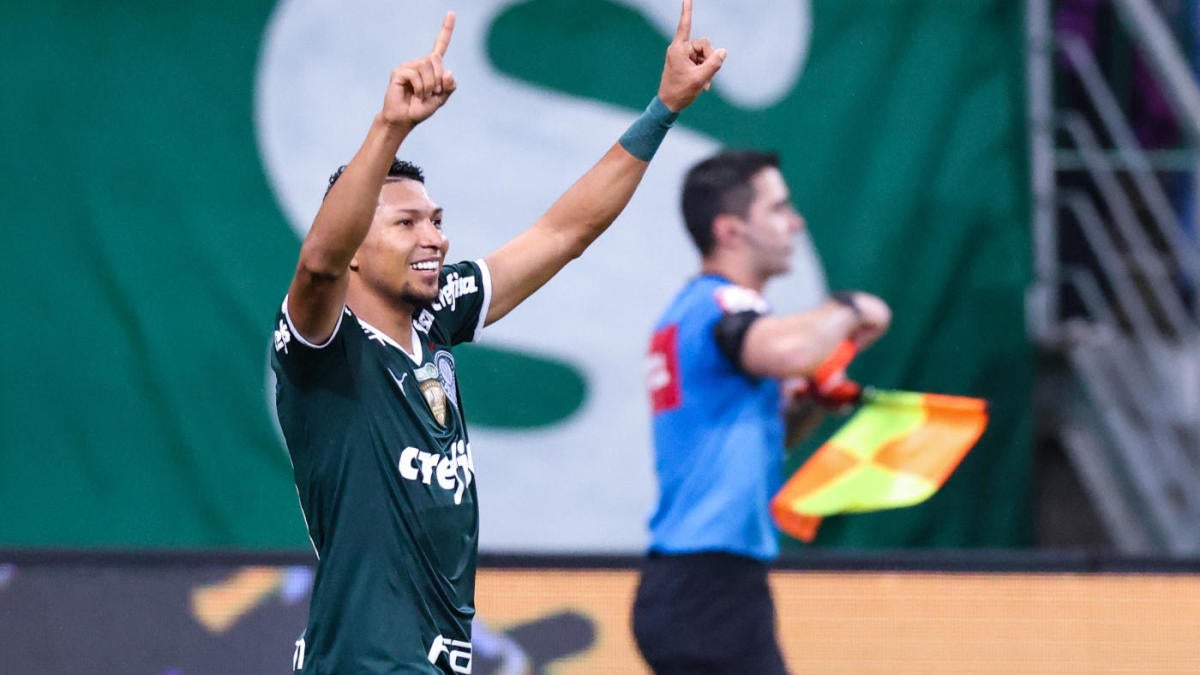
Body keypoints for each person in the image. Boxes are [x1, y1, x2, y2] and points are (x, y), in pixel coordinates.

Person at [268, 2, 725, 673]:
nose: (435, 237)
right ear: (356, 252)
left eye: (437, 219)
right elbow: (316, 263)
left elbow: (562, 233)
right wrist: (390, 127)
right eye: (407, 224)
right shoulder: (323, 351)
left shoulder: (438, 318)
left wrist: (663, 108)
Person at [633, 150, 892, 674]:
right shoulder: (724, 306)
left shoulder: (690, 311)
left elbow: (767, 431)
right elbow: (790, 353)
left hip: (698, 587)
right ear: (731, 231)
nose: (794, 221)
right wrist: (852, 308)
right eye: (778, 209)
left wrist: (811, 403)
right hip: (709, 589)